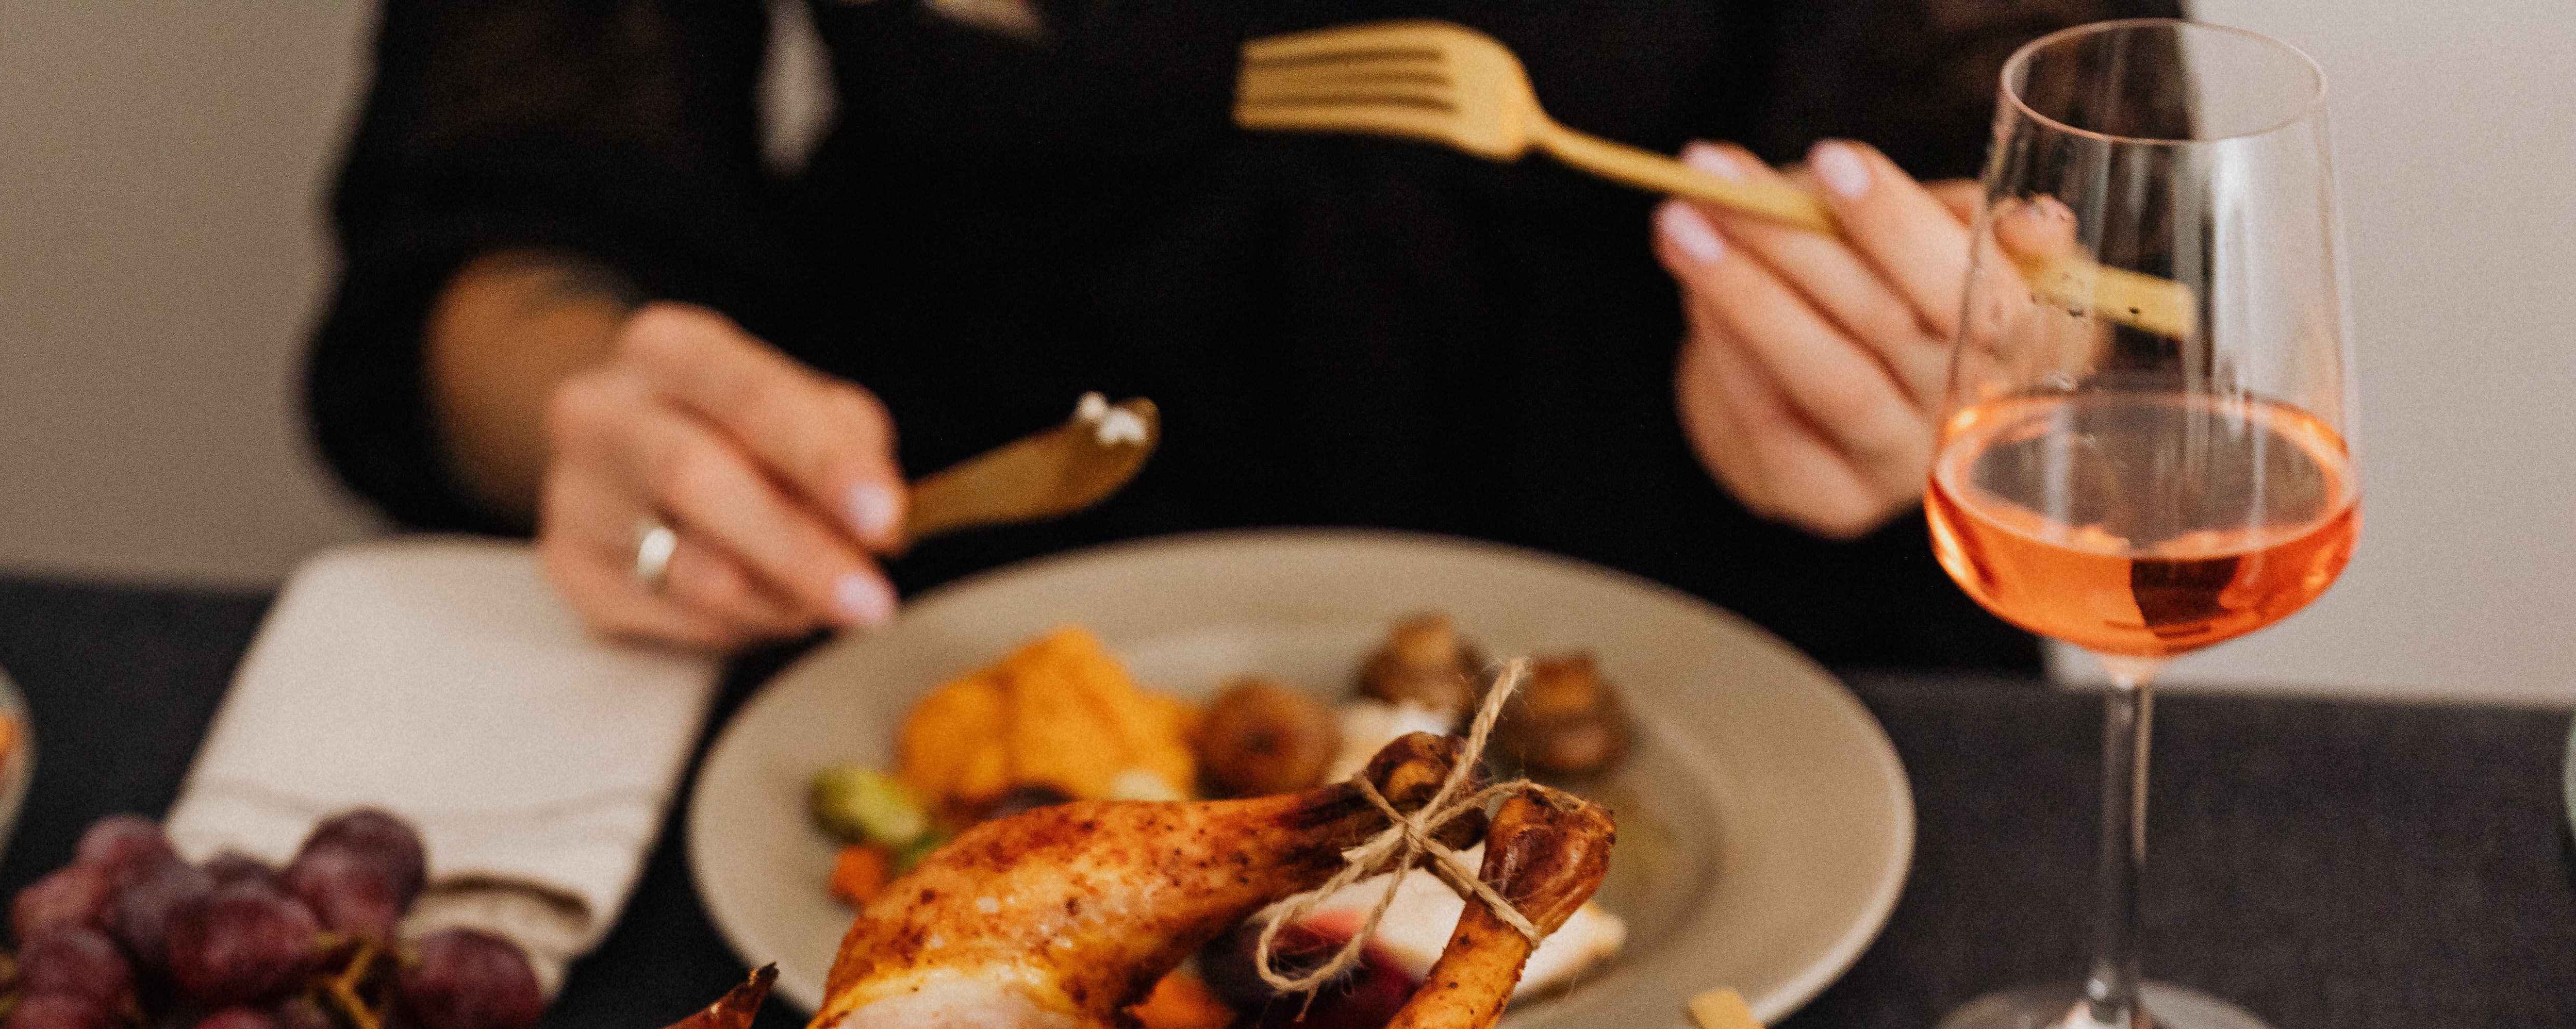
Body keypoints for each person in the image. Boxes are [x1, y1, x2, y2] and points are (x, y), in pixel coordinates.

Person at [310, 0, 2167, 668]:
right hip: (907, 665)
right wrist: (606, 419)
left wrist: (1951, 345)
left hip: (1746, 713)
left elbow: (2114, 271)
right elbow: (498, 223)